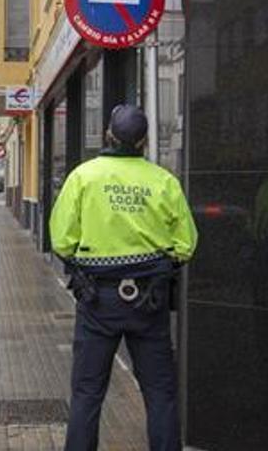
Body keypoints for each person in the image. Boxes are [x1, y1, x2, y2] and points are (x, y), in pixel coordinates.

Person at [50, 104, 198, 451]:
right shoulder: (163, 181)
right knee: (160, 393)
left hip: (98, 300)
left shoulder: (84, 177)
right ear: (144, 141)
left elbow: (61, 240)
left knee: (87, 393)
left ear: (108, 135)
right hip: (150, 301)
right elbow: (186, 245)